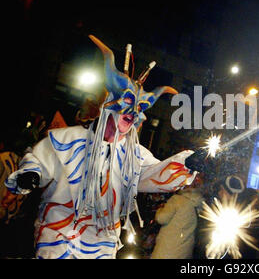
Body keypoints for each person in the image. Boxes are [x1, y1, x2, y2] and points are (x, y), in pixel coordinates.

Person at [2, 35, 197, 259]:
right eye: (127, 105)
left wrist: (187, 163)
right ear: (109, 105)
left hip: (102, 244)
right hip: (59, 239)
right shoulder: (67, 138)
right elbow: (38, 161)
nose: (133, 115)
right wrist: (30, 176)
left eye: (139, 110)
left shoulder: (134, 154)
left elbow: (155, 173)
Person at [150, 180, 204, 259]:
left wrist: (160, 209)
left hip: (167, 250)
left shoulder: (177, 200)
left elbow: (161, 218)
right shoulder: (199, 204)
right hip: (184, 252)